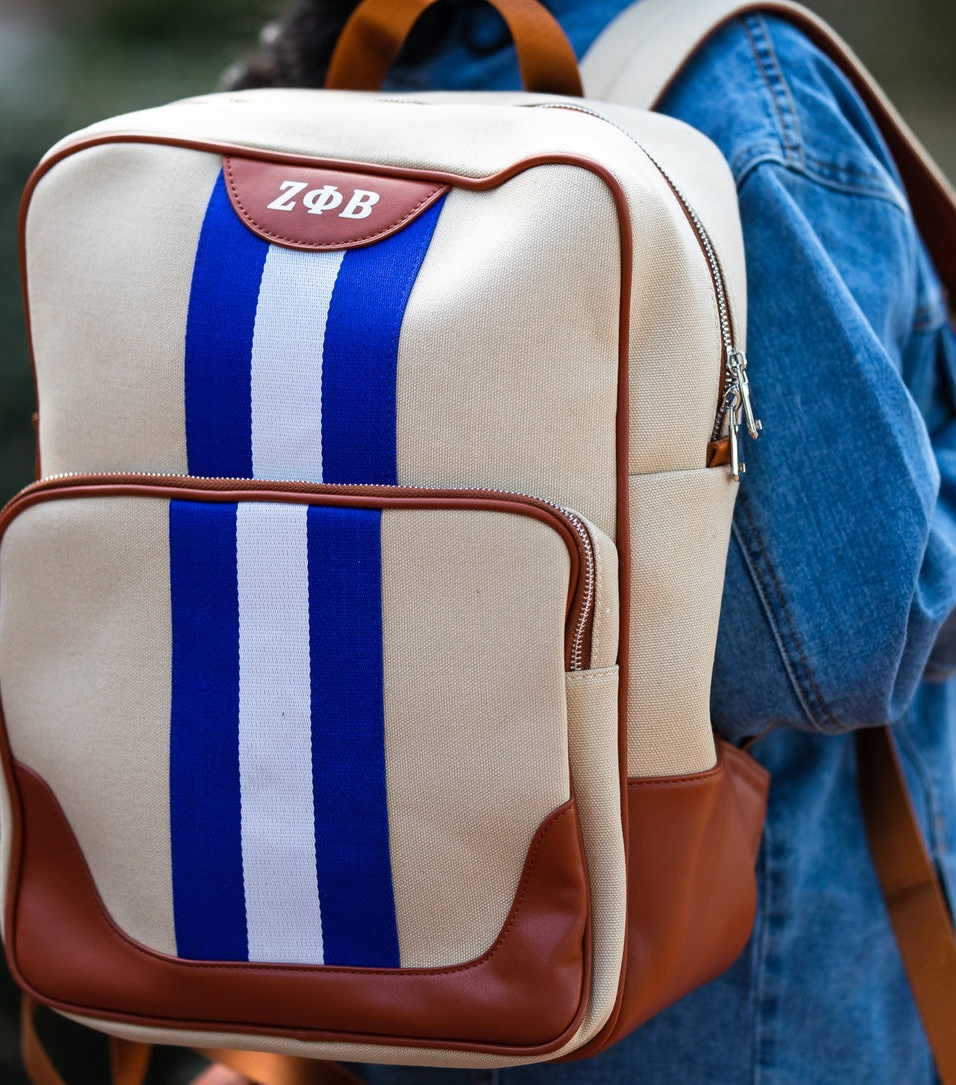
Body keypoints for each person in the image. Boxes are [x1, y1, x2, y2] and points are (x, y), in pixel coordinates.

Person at [227, 2, 956, 1082]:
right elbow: (843, 629)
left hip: (404, 953)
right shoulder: (726, 94)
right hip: (730, 1001)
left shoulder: (349, 94)